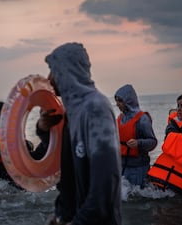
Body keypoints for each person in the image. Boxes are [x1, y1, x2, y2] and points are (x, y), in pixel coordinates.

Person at [36, 42, 121, 225]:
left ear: (68, 71)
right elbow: (63, 165)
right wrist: (43, 129)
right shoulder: (72, 112)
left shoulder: (95, 108)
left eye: (54, 70)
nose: (49, 78)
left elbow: (105, 185)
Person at [148, 93, 182, 193]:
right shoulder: (172, 125)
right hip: (169, 178)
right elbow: (170, 140)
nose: (179, 109)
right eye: (178, 106)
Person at [114, 84, 158, 187]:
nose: (117, 104)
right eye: (116, 101)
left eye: (120, 101)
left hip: (138, 168)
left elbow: (153, 142)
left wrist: (138, 143)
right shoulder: (120, 118)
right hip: (121, 167)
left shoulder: (142, 119)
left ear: (128, 101)